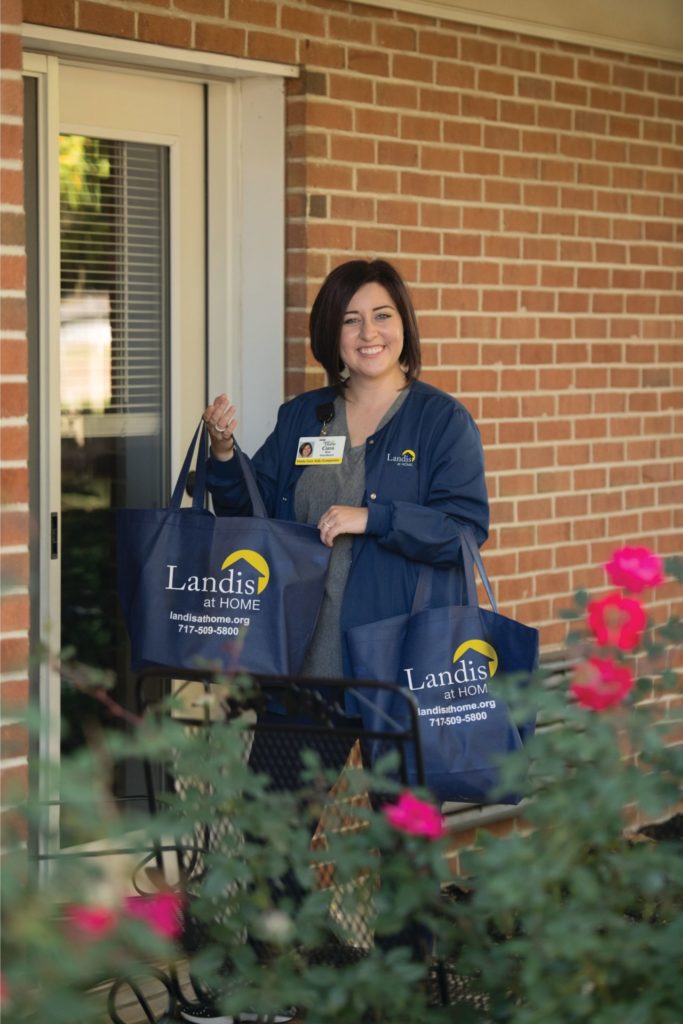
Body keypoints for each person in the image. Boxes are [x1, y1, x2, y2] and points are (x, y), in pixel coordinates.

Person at [203, 258, 489, 684]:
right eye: (350, 320)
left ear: (404, 325)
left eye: (382, 316)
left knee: (394, 756)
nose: (368, 333)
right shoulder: (302, 416)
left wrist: (376, 518)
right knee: (283, 755)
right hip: (299, 662)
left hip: (400, 668)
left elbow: (463, 534)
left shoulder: (441, 421)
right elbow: (251, 516)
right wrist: (224, 452)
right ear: (331, 334)